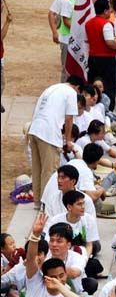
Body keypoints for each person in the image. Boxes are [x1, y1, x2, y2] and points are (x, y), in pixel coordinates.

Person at [28, 76, 81, 205]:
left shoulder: (52, 88)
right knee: (49, 172)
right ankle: (46, 204)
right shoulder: (71, 92)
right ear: (77, 88)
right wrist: (68, 141)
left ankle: (37, 202)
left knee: (37, 169)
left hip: (35, 128)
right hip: (48, 133)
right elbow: (69, 119)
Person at [86, 0, 116, 112]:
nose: (111, 11)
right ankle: (108, 109)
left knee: (93, 84)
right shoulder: (106, 24)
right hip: (106, 60)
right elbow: (110, 42)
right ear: (105, 11)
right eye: (109, 9)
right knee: (108, 86)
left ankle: (91, 106)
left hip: (92, 58)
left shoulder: (88, 23)